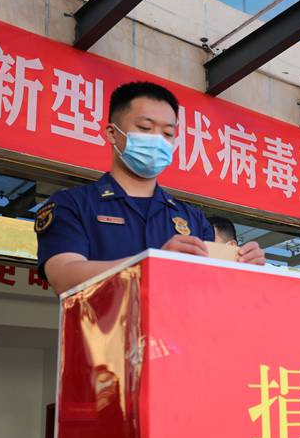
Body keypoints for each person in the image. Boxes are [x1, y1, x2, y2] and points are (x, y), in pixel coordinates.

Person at [36, 81, 264, 295]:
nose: (157, 140)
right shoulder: (73, 204)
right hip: (104, 326)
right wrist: (152, 264)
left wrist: (243, 267)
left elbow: (212, 288)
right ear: (112, 133)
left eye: (167, 133)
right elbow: (63, 276)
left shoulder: (192, 218)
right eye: (145, 128)